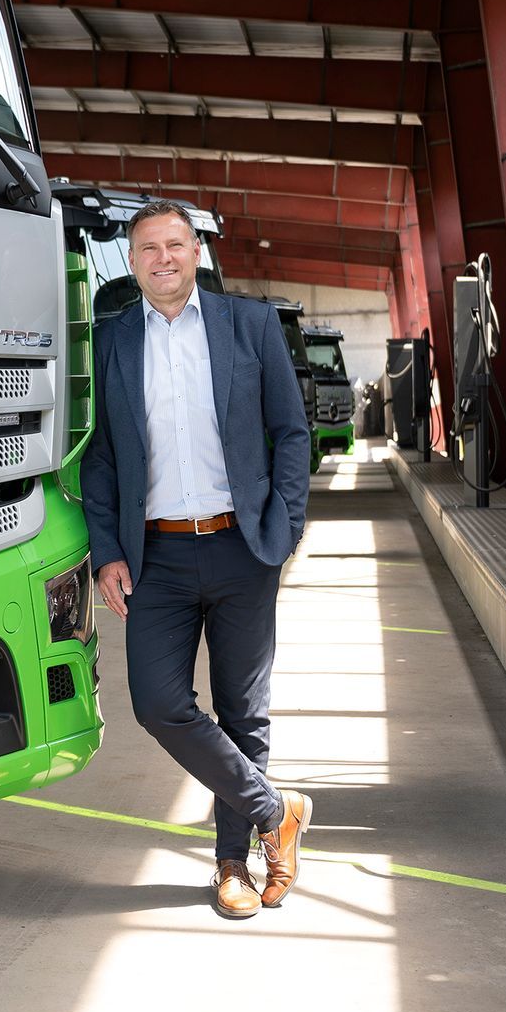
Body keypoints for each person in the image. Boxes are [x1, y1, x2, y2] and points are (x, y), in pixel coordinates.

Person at [80, 200, 314, 920]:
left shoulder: (249, 324)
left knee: (244, 710)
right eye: (147, 248)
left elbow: (291, 432)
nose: (163, 259)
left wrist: (284, 528)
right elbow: (100, 454)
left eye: (175, 244)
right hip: (159, 555)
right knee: (157, 702)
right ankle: (279, 808)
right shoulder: (111, 340)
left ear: (197, 252)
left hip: (242, 546)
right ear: (131, 260)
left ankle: (232, 864)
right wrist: (107, 549)